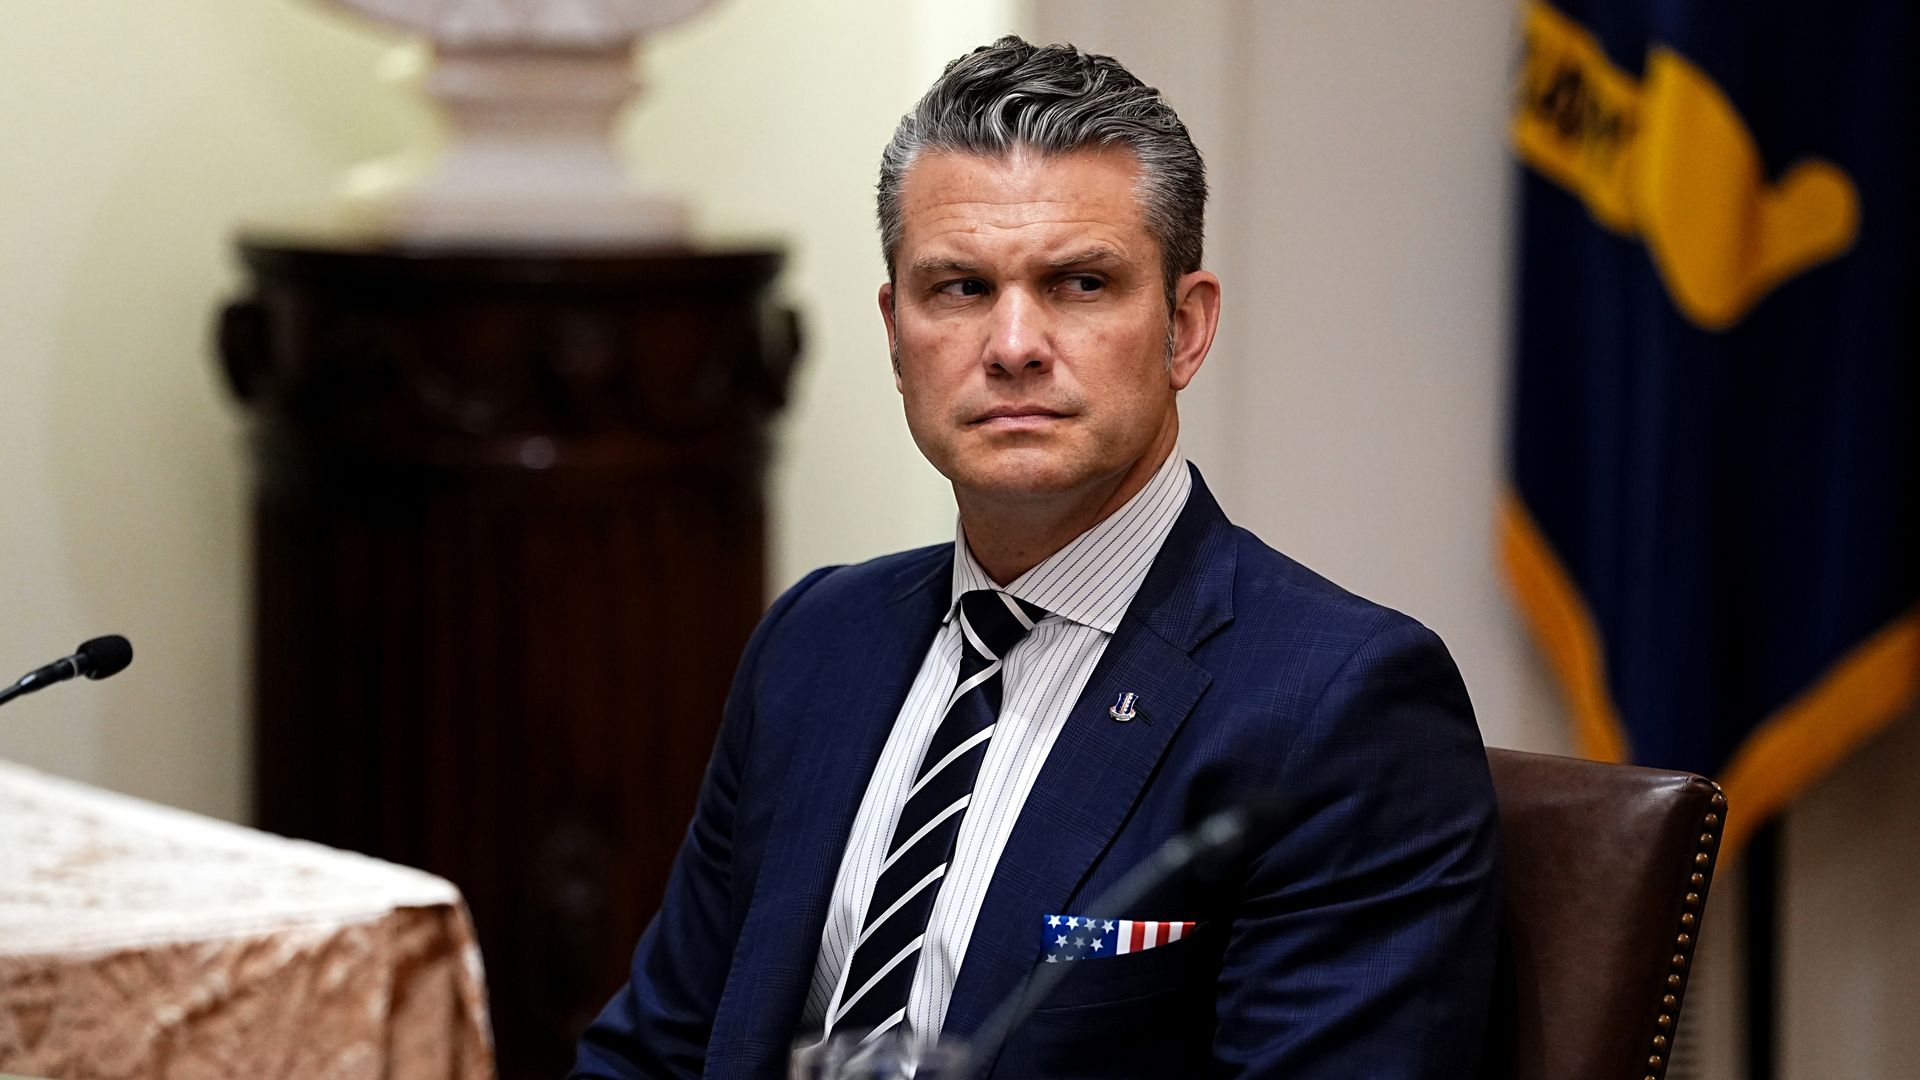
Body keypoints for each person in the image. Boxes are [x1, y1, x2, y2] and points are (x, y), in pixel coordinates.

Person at [573, 35, 1498, 1079]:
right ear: (895, 332)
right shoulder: (816, 641)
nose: (1013, 343)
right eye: (960, 288)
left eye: (1080, 284)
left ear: (1185, 330)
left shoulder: (1337, 704)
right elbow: (652, 1052)